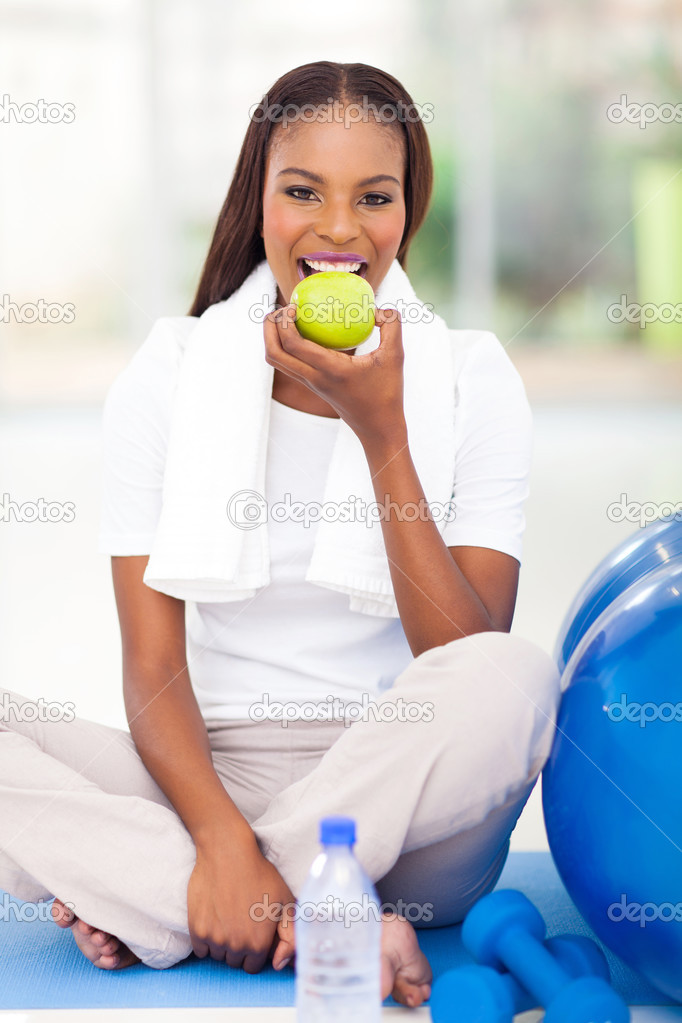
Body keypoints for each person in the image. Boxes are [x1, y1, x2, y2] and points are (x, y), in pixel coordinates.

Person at [0, 61, 560, 1010]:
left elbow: (462, 658)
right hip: (201, 775)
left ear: (407, 212)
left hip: (403, 794)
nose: (339, 230)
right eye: (304, 191)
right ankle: (307, 906)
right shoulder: (170, 376)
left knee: (513, 673)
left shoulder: (472, 377)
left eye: (373, 197)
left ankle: (154, 899)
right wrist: (220, 838)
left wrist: (382, 436)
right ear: (258, 200)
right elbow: (150, 667)